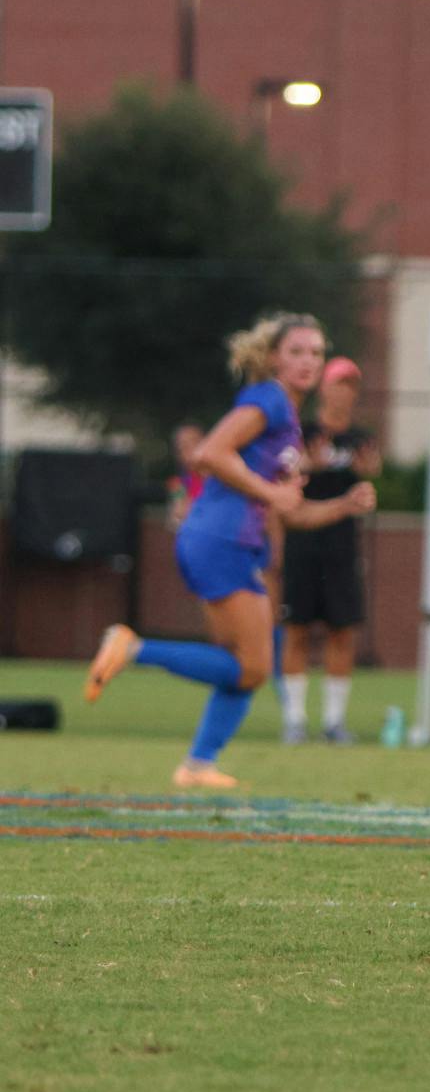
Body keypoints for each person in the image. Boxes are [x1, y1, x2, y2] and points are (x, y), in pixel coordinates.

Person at [83, 314, 377, 788]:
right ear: (273, 358)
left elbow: (292, 512)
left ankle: (198, 765)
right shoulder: (269, 400)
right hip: (219, 541)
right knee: (255, 667)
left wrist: (344, 504)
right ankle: (134, 648)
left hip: (225, 543)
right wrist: (270, 490)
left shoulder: (288, 426)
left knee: (243, 666)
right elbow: (210, 453)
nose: (307, 361)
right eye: (296, 351)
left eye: (316, 353)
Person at [279, 355, 380, 744]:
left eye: (352, 385)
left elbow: (371, 476)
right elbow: (286, 472)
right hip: (302, 542)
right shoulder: (302, 431)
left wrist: (369, 475)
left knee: (342, 631)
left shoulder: (360, 438)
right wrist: (312, 464)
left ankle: (334, 722)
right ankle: (295, 719)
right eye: (339, 383)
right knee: (298, 629)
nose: (345, 393)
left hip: (342, 546)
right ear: (324, 387)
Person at [166, 422, 206, 530]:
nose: (188, 452)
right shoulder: (178, 484)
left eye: (194, 443)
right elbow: (175, 521)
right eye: (182, 448)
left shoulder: (221, 478)